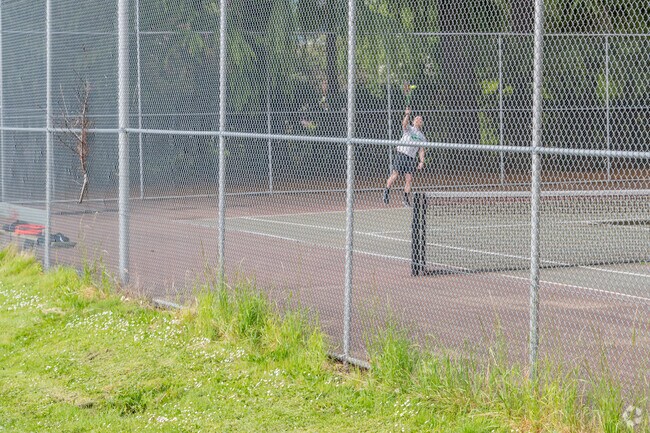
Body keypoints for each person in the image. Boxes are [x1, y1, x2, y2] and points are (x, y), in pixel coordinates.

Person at [383, 107, 425, 207]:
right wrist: (407, 114)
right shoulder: (409, 129)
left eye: (420, 119)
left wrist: (421, 161)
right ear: (414, 121)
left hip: (411, 158)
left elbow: (421, 150)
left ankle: (405, 199)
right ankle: (386, 192)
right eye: (417, 119)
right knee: (395, 175)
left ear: (421, 123)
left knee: (409, 179)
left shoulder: (422, 136)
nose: (418, 120)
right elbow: (404, 124)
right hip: (401, 154)